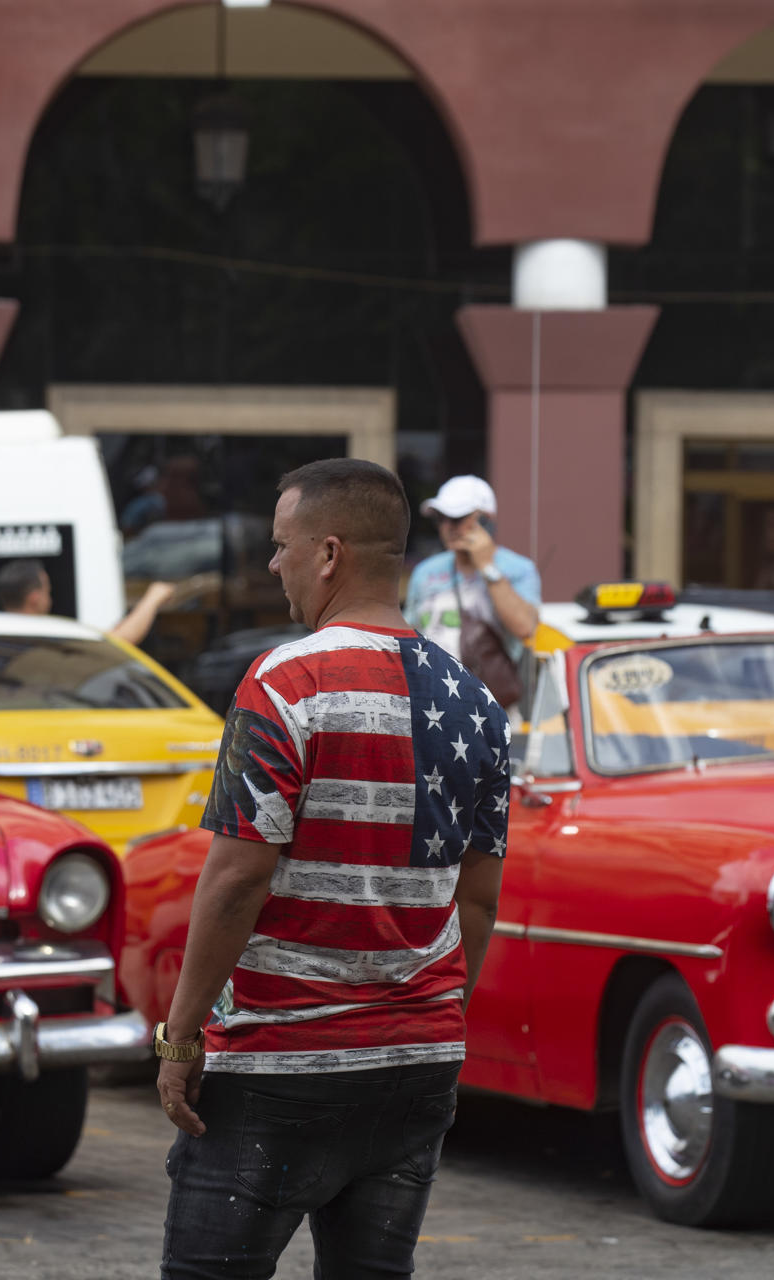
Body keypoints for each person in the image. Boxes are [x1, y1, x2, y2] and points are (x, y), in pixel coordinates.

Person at [153, 458, 510, 1280]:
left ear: (330, 553)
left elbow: (238, 878)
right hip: (418, 1066)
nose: (273, 566)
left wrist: (180, 1037)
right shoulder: (478, 705)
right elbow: (479, 903)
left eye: (282, 546)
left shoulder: (287, 681)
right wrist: (431, 1018)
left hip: (279, 1066)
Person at [404, 474, 540, 666]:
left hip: (490, 690)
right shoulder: (425, 571)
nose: (447, 527)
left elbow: (526, 628)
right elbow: (410, 632)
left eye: (456, 518)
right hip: (434, 685)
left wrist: (487, 566)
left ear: (485, 521)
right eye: (441, 518)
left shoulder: (519, 569)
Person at [0, 557, 175, 647]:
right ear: (34, 598)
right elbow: (119, 642)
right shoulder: (43, 638)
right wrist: (153, 597)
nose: (50, 598)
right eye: (47, 591)